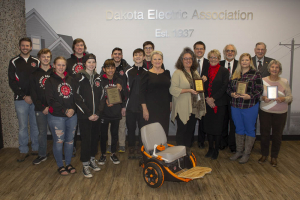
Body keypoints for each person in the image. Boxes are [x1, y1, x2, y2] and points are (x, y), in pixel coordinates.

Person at [227, 53, 263, 164]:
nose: (244, 62)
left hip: (250, 106)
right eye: (242, 60)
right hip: (236, 105)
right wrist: (232, 94)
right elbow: (228, 88)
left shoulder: (256, 74)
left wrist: (250, 96)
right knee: (238, 128)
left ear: (250, 61)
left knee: (250, 129)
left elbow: (259, 90)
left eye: (247, 60)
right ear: (240, 61)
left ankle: (247, 153)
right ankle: (239, 151)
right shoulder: (235, 73)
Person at [8, 37, 40, 162]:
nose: (25, 47)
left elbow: (39, 81)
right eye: (23, 45)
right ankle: (23, 150)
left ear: (31, 47)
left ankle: (36, 149)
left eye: (27, 45)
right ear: (20, 47)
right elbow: (12, 82)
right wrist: (24, 96)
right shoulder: (14, 61)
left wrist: (33, 96)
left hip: (34, 100)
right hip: (20, 100)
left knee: (35, 125)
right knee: (22, 126)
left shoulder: (36, 61)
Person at [45, 56, 77, 175]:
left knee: (69, 141)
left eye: (63, 65)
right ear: (53, 65)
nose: (61, 67)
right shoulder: (50, 81)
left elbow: (75, 97)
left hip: (72, 116)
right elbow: (50, 100)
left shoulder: (71, 79)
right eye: (58, 65)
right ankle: (60, 165)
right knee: (59, 142)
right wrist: (65, 110)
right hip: (57, 116)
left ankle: (68, 163)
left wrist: (73, 109)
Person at [170, 47, 206, 149]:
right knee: (182, 130)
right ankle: (180, 152)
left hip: (194, 108)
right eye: (185, 58)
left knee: (190, 131)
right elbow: (173, 90)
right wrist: (188, 90)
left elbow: (198, 87)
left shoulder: (195, 72)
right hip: (182, 107)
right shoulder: (178, 73)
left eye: (190, 58)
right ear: (181, 60)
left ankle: (187, 151)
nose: (188, 60)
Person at [259, 60, 293, 167]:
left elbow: (290, 97)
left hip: (280, 113)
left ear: (280, 70)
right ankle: (264, 155)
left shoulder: (284, 81)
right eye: (272, 67)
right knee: (264, 135)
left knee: (277, 136)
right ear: (269, 69)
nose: (274, 69)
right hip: (265, 111)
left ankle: (274, 157)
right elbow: (258, 96)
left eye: (277, 67)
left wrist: (283, 98)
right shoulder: (262, 80)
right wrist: (264, 98)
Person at [74, 54, 102, 178]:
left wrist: (98, 114)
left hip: (96, 116)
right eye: (89, 62)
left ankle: (92, 160)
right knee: (86, 140)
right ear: (84, 63)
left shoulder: (98, 78)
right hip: (85, 116)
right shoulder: (78, 77)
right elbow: (77, 98)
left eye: (93, 62)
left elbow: (102, 97)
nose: (91, 64)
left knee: (95, 139)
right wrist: (88, 114)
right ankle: (85, 164)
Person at [101, 47, 130, 154]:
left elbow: (126, 91)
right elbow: (101, 91)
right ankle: (110, 145)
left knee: (121, 125)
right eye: (115, 54)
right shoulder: (102, 76)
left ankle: (121, 144)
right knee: (109, 127)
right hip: (107, 107)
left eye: (119, 54)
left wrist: (123, 105)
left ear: (122, 55)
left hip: (120, 105)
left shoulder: (126, 69)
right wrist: (105, 101)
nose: (117, 55)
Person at [202, 49, 229, 160]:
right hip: (207, 103)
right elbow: (200, 87)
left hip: (219, 103)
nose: (213, 59)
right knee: (209, 128)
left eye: (215, 57)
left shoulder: (224, 71)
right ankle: (210, 149)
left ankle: (216, 149)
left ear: (219, 59)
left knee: (217, 128)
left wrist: (213, 99)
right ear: (209, 59)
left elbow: (224, 87)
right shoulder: (205, 71)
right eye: (211, 57)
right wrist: (208, 99)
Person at [98, 59, 126, 165]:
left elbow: (123, 97)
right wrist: (105, 102)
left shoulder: (119, 80)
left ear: (115, 69)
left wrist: (121, 89)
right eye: (108, 68)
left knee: (114, 134)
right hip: (104, 112)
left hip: (115, 111)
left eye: (112, 67)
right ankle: (103, 154)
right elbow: (97, 97)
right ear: (104, 69)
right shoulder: (100, 80)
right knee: (104, 135)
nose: (110, 70)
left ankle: (113, 153)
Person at [140, 50, 172, 135]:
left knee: (163, 129)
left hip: (164, 107)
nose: (157, 61)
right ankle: (152, 148)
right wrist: (144, 109)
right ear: (151, 61)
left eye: (159, 59)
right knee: (152, 131)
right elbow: (141, 93)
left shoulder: (167, 73)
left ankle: (162, 148)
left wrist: (170, 103)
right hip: (151, 107)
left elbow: (169, 90)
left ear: (162, 60)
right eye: (155, 59)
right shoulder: (146, 74)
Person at [30, 48, 52, 164]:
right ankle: (42, 154)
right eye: (43, 57)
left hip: (54, 109)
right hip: (40, 109)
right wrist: (43, 107)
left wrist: (50, 106)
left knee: (57, 132)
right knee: (42, 132)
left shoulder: (54, 73)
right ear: (39, 58)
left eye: (48, 56)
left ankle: (58, 153)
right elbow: (33, 93)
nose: (46, 59)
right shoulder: (34, 74)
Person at [66, 38, 87, 156]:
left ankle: (85, 146)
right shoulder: (68, 62)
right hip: (73, 97)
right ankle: (72, 146)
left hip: (85, 96)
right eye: (77, 45)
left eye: (82, 45)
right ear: (74, 47)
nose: (79, 47)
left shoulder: (89, 59)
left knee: (84, 123)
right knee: (73, 124)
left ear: (84, 47)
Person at [125, 48, 148, 159]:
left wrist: (146, 108)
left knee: (143, 129)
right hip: (130, 106)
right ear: (133, 57)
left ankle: (141, 148)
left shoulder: (147, 72)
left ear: (144, 57)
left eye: (140, 55)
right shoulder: (128, 72)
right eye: (136, 55)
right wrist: (123, 106)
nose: (138, 57)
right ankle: (131, 148)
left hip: (142, 107)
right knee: (130, 129)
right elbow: (125, 90)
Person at [219, 44, 238, 152]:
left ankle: (233, 144)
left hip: (235, 98)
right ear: (224, 52)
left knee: (234, 122)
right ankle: (223, 142)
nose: (230, 53)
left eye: (232, 51)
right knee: (223, 121)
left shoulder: (239, 65)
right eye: (227, 51)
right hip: (222, 97)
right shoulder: (219, 64)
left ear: (235, 53)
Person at [193, 41, 209, 149]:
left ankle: (201, 141)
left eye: (201, 48)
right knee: (192, 118)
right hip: (192, 95)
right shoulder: (189, 62)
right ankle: (189, 140)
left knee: (203, 119)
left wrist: (207, 78)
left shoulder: (209, 62)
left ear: (204, 50)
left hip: (205, 95)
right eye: (197, 48)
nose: (199, 50)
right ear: (194, 50)